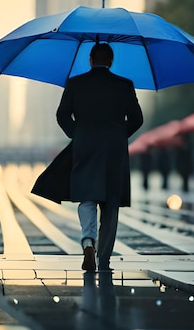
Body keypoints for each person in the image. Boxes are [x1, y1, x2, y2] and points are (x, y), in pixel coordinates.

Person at [55, 43, 143, 272]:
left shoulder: (75, 84)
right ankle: (104, 255)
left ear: (90, 60)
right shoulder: (124, 85)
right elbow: (137, 119)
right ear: (111, 61)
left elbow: (62, 114)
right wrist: (119, 133)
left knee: (87, 197)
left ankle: (87, 243)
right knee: (111, 203)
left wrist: (78, 133)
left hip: (86, 147)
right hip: (114, 149)